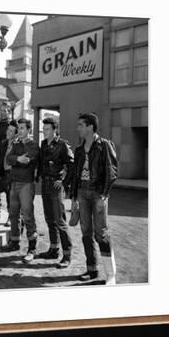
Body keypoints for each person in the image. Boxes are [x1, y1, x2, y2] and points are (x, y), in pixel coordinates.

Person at [69, 113, 118, 284]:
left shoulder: (104, 145)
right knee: (86, 233)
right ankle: (92, 270)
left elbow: (112, 172)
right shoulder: (79, 150)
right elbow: (75, 175)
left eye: (81, 125)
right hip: (82, 193)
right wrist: (74, 197)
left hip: (98, 194)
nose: (78, 128)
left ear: (90, 126)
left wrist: (104, 194)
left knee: (101, 234)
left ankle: (111, 274)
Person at [37, 117, 74, 268]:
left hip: (56, 186)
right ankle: (53, 249)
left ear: (54, 130)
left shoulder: (63, 145)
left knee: (60, 220)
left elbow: (72, 165)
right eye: (43, 129)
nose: (44, 131)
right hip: (45, 185)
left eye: (47, 129)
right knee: (49, 219)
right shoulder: (43, 144)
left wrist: (64, 182)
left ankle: (67, 255)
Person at [1, 118, 39, 261]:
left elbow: (27, 161)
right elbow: (8, 159)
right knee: (13, 214)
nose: (20, 131)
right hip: (14, 183)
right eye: (19, 128)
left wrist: (15, 160)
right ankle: (15, 242)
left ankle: (32, 248)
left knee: (28, 215)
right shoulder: (15, 143)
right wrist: (17, 159)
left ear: (28, 129)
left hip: (26, 185)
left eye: (23, 128)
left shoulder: (33, 145)